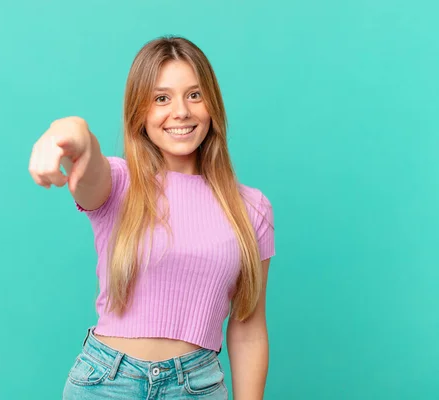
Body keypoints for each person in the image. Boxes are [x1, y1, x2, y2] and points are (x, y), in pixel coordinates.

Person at [28, 36, 275, 400]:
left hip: (197, 387)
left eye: (194, 95)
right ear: (140, 113)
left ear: (212, 105)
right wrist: (65, 133)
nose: (181, 112)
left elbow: (248, 328)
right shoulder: (118, 183)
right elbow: (84, 153)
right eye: (162, 98)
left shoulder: (251, 208)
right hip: (106, 383)